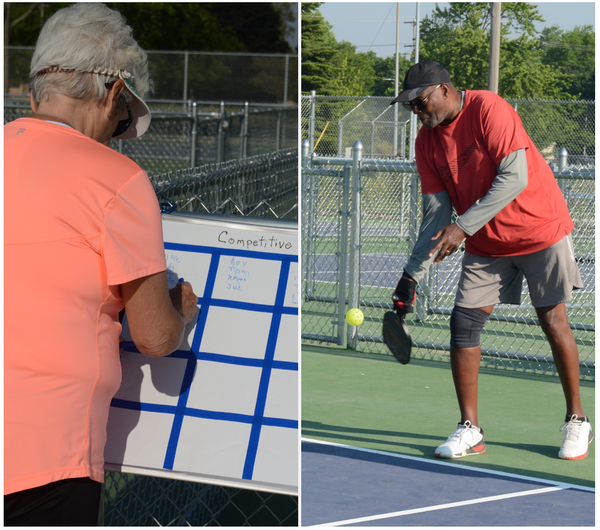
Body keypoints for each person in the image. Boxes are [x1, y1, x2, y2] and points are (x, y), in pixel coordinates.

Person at [4, 4, 199, 525]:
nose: (115, 135)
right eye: (121, 120)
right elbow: (155, 337)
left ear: (33, 93)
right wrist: (182, 311)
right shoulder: (118, 179)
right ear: (114, 94)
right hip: (50, 456)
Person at [389, 60, 592, 461]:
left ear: (445, 90)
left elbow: (514, 177)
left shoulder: (488, 108)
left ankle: (577, 420)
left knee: (553, 320)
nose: (416, 111)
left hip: (539, 229)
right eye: (409, 106)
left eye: (420, 101)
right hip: (486, 241)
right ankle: (470, 429)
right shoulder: (425, 142)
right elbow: (436, 214)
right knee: (463, 323)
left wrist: (463, 227)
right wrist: (411, 276)